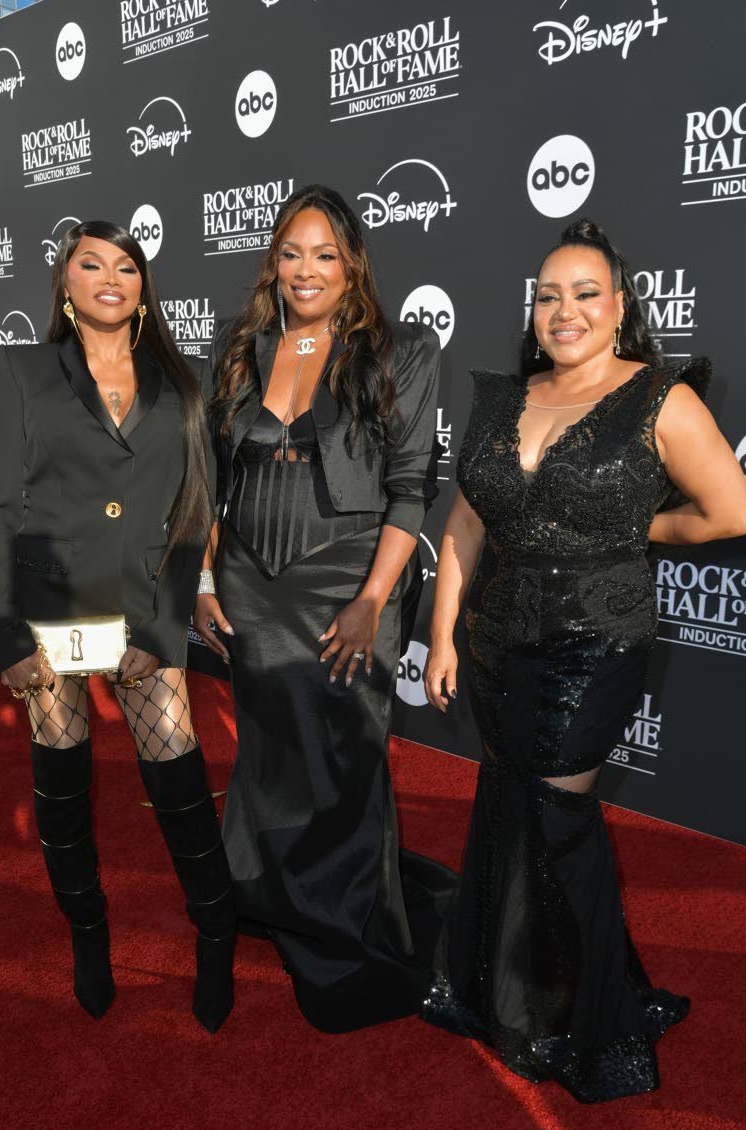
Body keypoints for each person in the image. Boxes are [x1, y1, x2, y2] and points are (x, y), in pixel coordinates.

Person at [422, 219, 746, 1102]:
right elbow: (465, 523)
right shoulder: (503, 398)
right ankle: (503, 990)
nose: (563, 311)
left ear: (618, 308)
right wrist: (446, 626)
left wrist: (630, 528)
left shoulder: (660, 398)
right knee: (505, 807)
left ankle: (582, 1014)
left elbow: (731, 512)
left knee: (559, 822)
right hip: (497, 639)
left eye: (584, 293)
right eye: (547, 295)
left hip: (594, 643)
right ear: (531, 311)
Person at [194, 183, 454, 1032]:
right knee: (269, 750)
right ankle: (265, 893)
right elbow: (209, 482)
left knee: (343, 752)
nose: (306, 270)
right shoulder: (243, 345)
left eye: (325, 255)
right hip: (249, 580)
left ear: (353, 266)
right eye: (292, 252)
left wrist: (374, 600)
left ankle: (343, 922)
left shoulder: (399, 350)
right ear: (274, 260)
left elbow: (411, 490)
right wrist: (203, 579)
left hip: (349, 576)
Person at [0, 220, 235, 1032]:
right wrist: (8, 637)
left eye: (127, 265)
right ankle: (90, 934)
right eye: (92, 264)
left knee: (180, 776)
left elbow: (192, 515)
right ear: (65, 282)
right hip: (51, 608)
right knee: (61, 778)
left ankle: (217, 934)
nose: (111, 277)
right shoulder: (24, 371)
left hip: (145, 604)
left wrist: (162, 628)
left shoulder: (179, 379)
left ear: (144, 287)